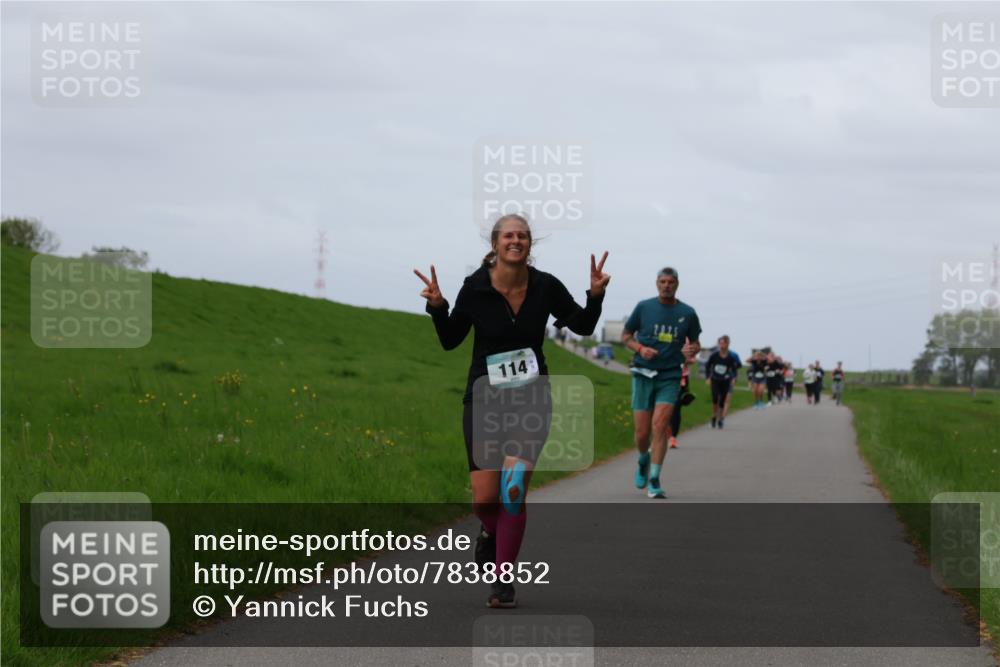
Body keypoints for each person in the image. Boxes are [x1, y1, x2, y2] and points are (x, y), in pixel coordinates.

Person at [415, 214, 609, 608]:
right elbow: (451, 340)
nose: (516, 241)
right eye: (508, 235)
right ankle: (489, 532)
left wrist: (595, 296)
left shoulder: (545, 286)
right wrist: (438, 307)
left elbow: (583, 327)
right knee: (485, 500)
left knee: (514, 489)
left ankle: (503, 583)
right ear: (496, 243)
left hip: (531, 398)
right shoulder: (475, 289)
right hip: (484, 399)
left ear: (529, 244)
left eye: (522, 235)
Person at [621, 267, 701, 499]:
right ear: (657, 283)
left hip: (670, 375)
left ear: (677, 284)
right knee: (642, 433)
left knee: (659, 426)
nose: (666, 285)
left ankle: (654, 480)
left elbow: (695, 343)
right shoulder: (644, 307)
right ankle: (643, 459)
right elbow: (625, 336)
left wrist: (692, 348)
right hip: (643, 373)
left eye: (671, 282)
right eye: (662, 281)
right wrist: (640, 348)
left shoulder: (688, 312)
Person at [705, 335, 741, 428]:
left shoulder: (731, 357)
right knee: (715, 398)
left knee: (722, 401)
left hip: (725, 380)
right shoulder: (714, 355)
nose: (721, 345)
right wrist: (708, 377)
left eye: (723, 343)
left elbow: (734, 369)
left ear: (727, 344)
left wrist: (733, 378)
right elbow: (708, 366)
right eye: (720, 343)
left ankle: (720, 419)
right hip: (715, 379)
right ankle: (714, 416)